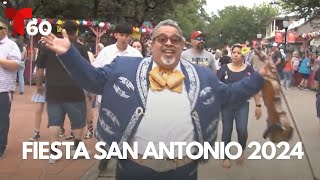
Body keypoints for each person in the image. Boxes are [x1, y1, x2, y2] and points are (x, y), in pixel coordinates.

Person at [40, 19, 270, 179]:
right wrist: (68, 53)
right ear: (151, 44)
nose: (168, 43)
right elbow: (91, 80)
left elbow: (229, 96)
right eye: (162, 38)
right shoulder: (124, 66)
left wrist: (259, 78)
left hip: (183, 169)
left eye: (175, 39)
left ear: (182, 46)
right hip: (133, 168)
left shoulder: (201, 75)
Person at [36, 20, 89, 164]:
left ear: (62, 30)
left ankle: (53, 153)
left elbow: (39, 69)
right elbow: (86, 69)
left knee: (54, 122)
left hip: (53, 89)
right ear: (76, 32)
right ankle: (76, 150)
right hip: (75, 89)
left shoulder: (47, 46)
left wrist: (39, 85)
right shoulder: (80, 48)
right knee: (78, 123)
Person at [217, 44, 262, 168]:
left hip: (242, 105)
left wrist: (258, 105)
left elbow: (255, 88)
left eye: (239, 52)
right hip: (226, 106)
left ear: (243, 55)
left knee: (242, 130)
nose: (236, 54)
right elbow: (216, 87)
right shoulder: (224, 69)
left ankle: (241, 151)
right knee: (227, 130)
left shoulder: (248, 70)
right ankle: (225, 157)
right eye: (234, 52)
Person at [0, 17, 21, 159]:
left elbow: (15, 65)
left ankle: (1, 147)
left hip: (3, 89)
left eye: (0, 28)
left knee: (1, 120)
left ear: (5, 30)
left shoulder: (11, 45)